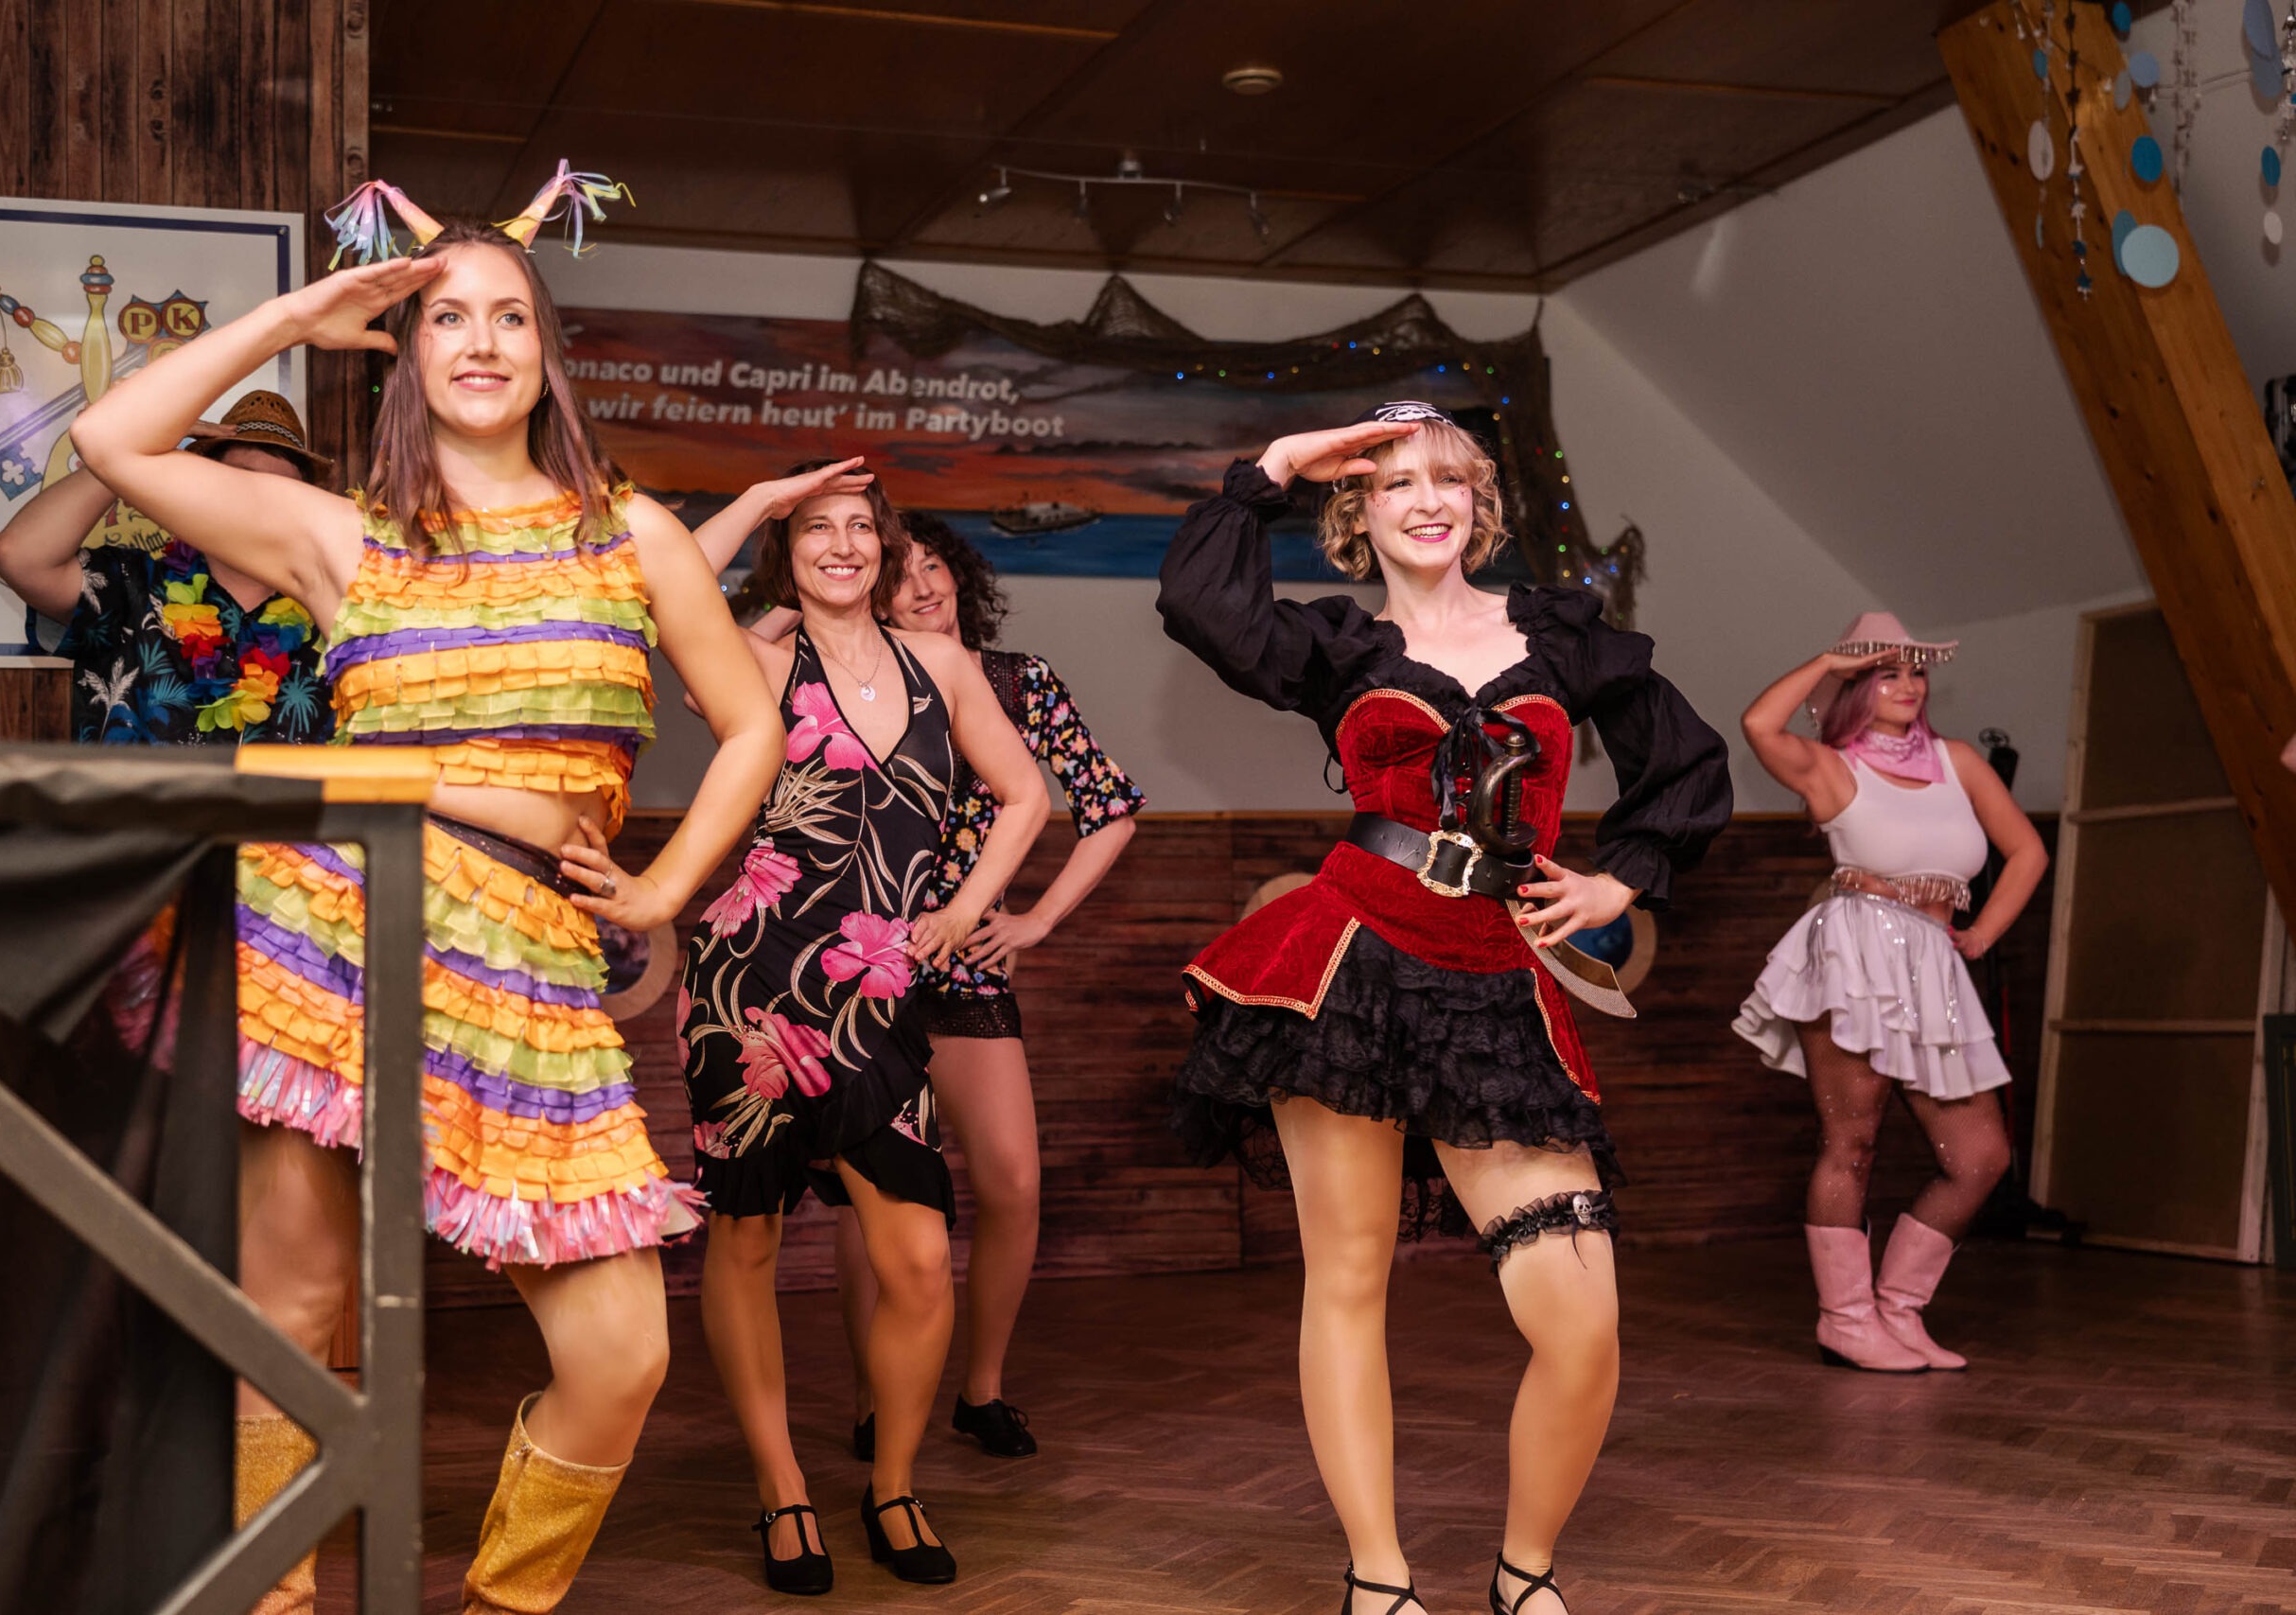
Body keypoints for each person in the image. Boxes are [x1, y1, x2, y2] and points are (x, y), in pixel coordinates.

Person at [68, 170, 785, 1614]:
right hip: (341, 929)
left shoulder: (631, 532)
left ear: (546, 350)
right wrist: (296, 318)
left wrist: (661, 887)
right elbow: (109, 438)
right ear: (406, 348)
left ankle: (501, 1603)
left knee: (621, 1352)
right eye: (445, 315)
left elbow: (752, 721)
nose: (479, 340)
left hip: (532, 966)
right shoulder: (345, 535)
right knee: (291, 1309)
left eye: (509, 315)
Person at [1157, 404, 1732, 1615]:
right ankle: (1377, 1579)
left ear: (1481, 505)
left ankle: (1524, 1574)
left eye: (1449, 480)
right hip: (1349, 964)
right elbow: (1203, 604)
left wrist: (1620, 879)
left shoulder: (1562, 639)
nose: (1426, 501)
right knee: (1346, 1281)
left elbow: (1685, 761)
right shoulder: (1339, 647)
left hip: (1497, 980)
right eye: (1396, 483)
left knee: (1580, 1320)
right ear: (1357, 513)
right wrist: (1274, 468)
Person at [676, 468, 1050, 1591]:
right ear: (785, 553)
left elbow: (1026, 796)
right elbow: (664, 585)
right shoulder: (757, 662)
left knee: (920, 1258)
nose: (839, 544)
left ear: (885, 552)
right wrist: (763, 495)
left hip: (878, 991)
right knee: (746, 1237)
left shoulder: (943, 665)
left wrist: (964, 909)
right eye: (815, 529)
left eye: (859, 529)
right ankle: (782, 1489)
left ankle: (893, 1485)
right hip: (749, 981)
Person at [806, 514, 1143, 1461]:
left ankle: (981, 1389)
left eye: (934, 566)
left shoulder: (1018, 682)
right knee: (869, 1203)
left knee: (1013, 1183)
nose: (921, 586)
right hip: (860, 969)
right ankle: (876, 1400)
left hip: (963, 971)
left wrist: (1034, 920)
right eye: (897, 574)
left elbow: (1109, 808)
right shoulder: (851, 680)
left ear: (962, 576)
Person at [1734, 616, 2047, 1374]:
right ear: (1854, 684)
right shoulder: (1830, 766)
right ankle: (1845, 1320)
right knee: (1853, 1141)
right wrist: (1828, 658)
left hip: (1934, 964)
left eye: (1916, 670)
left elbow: (2027, 851)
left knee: (1981, 1155)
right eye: (1887, 672)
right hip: (1854, 952)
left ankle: (1898, 1308)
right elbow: (1758, 723)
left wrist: (1981, 934)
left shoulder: (1957, 760)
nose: (1908, 684)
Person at [0, 390, 333, 745]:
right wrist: (129, 450)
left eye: (283, 489)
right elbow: (19, 556)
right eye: (242, 480)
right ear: (206, 487)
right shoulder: (130, 586)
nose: (263, 501)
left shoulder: (334, 613)